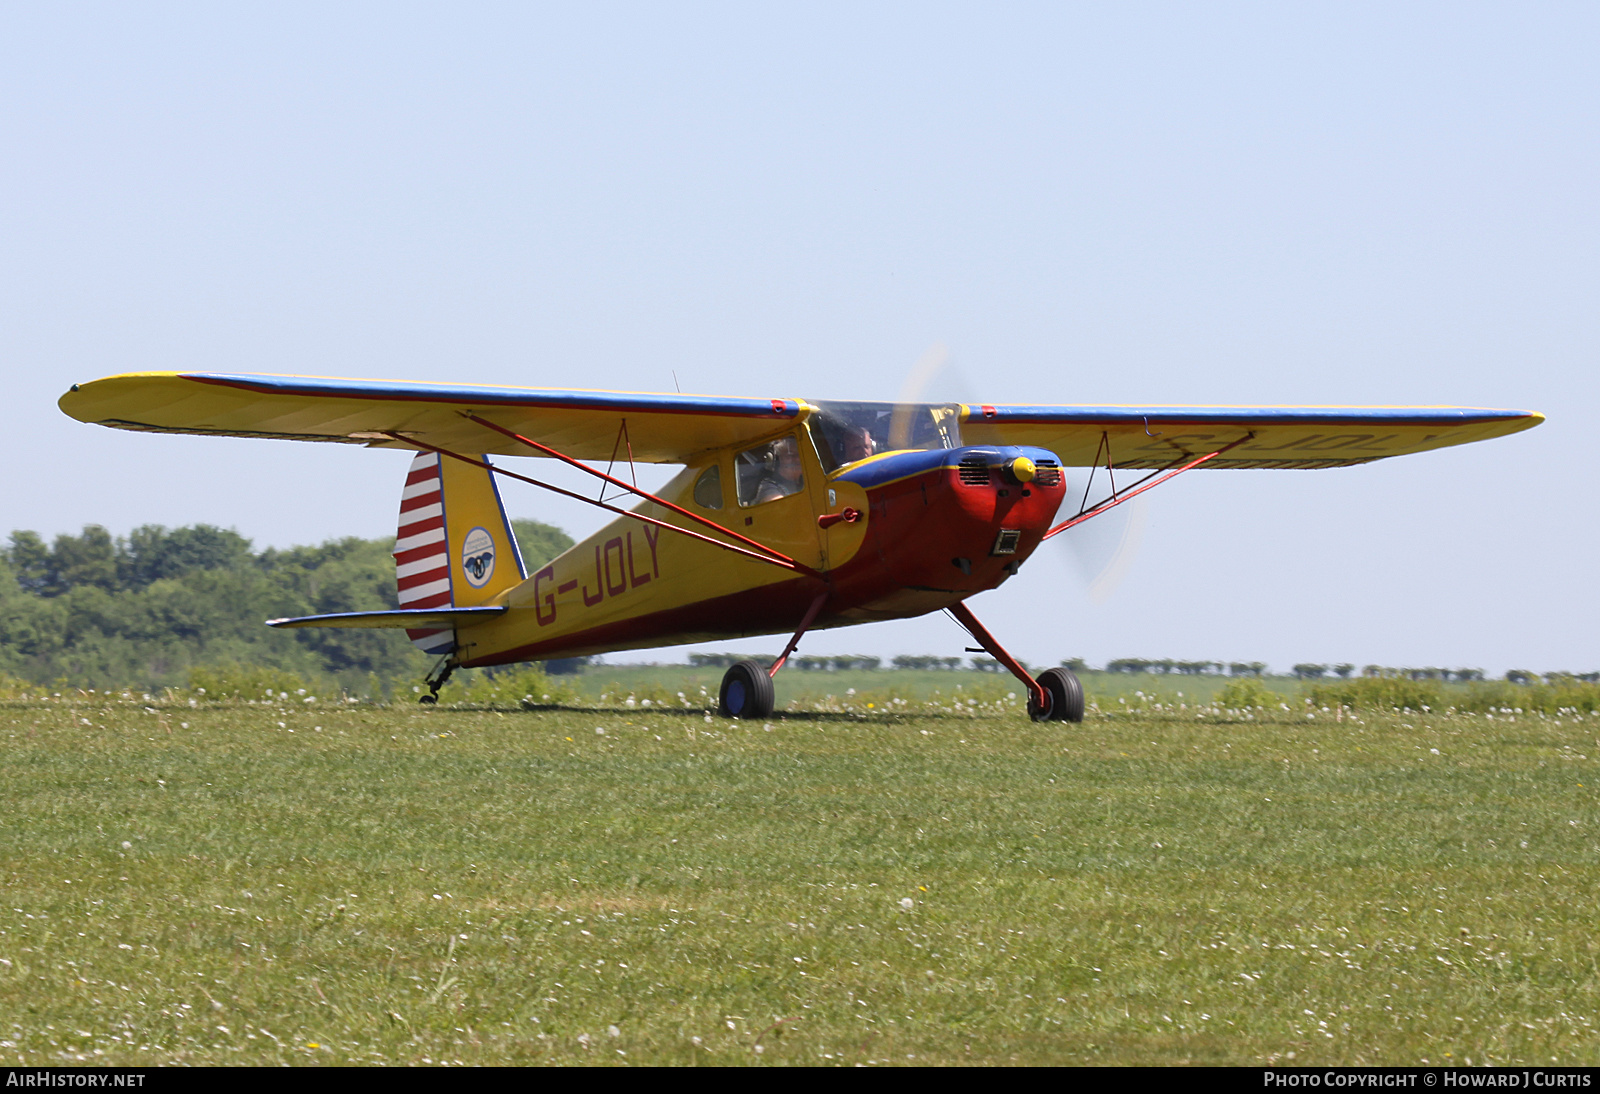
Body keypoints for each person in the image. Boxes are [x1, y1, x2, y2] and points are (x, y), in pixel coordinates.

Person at [753, 436, 804, 504]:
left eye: (798, 455)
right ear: (780, 459)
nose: (797, 459)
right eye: (790, 456)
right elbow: (779, 508)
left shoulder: (808, 480)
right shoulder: (769, 486)